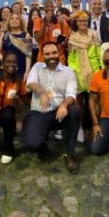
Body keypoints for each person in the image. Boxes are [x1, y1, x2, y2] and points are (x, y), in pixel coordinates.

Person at [24, 42, 82, 173]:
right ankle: (42, 144)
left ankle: (70, 154)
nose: (51, 56)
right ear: (42, 55)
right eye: (48, 54)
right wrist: (42, 92)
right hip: (39, 112)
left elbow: (71, 94)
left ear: (59, 53)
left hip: (59, 113)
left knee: (74, 110)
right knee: (32, 143)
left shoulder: (68, 72)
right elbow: (30, 83)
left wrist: (64, 105)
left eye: (54, 53)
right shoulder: (37, 67)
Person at [68, 11, 102, 139]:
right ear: (76, 23)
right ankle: (80, 128)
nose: (82, 23)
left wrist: (100, 69)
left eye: (84, 21)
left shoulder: (94, 35)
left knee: (95, 101)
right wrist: (73, 71)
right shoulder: (73, 37)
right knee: (79, 103)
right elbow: (71, 58)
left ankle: (96, 125)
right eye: (80, 21)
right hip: (78, 73)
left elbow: (99, 54)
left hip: (94, 72)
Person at [0, 13, 33, 79]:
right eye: (12, 18)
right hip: (6, 68)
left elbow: (28, 56)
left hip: (21, 68)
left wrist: (27, 72)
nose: (14, 20)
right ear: (9, 21)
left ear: (21, 22)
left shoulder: (26, 35)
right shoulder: (4, 34)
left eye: (17, 18)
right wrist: (5, 60)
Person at [33, 0, 69, 64]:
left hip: (59, 60)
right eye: (47, 7)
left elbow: (66, 41)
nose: (50, 9)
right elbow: (37, 38)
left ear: (54, 8)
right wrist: (44, 24)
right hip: (42, 60)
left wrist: (64, 43)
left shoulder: (62, 22)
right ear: (43, 8)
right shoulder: (38, 21)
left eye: (52, 6)